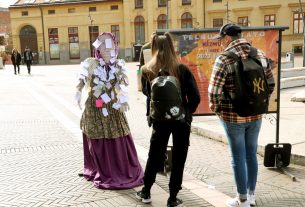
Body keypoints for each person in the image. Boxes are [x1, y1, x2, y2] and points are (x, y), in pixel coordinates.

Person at [208, 23, 275, 207]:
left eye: (221, 39)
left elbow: (213, 91)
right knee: (251, 154)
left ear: (228, 38)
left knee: (237, 157)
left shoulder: (223, 59)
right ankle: (251, 196)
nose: (221, 43)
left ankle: (242, 199)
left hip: (232, 116)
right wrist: (259, 102)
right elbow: (270, 83)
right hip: (256, 115)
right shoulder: (259, 54)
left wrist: (218, 109)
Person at [136, 33, 200, 207]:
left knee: (154, 156)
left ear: (154, 47)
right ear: (172, 47)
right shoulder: (181, 69)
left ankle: (146, 191)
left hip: (159, 120)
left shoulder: (147, 70)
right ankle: (172, 197)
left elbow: (146, 93)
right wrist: (186, 112)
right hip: (180, 121)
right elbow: (195, 97)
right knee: (179, 158)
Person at [75, 32, 144, 189]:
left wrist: (123, 100)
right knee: (97, 137)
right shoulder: (90, 63)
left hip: (113, 110)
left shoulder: (118, 65)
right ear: (97, 48)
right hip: (95, 109)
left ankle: (120, 168)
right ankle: (101, 168)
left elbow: (122, 86)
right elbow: (81, 81)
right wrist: (78, 92)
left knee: (118, 137)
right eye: (103, 46)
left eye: (110, 46)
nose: (107, 50)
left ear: (116, 47)